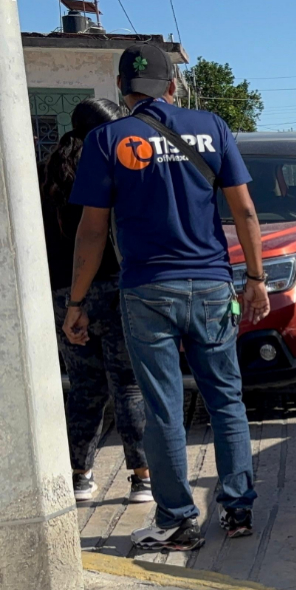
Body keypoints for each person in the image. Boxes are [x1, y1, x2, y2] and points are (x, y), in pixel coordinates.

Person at [64, 44, 270, 551]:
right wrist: (257, 279)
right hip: (213, 286)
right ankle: (238, 509)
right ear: (172, 87)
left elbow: (91, 233)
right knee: (226, 399)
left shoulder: (106, 140)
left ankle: (178, 520)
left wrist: (77, 302)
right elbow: (244, 211)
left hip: (148, 291)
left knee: (163, 408)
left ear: (121, 88)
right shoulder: (213, 128)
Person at [42, 98, 152, 505]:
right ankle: (142, 477)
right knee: (128, 385)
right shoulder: (111, 170)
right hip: (111, 287)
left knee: (85, 388)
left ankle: (79, 475)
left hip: (61, 294)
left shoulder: (46, 174)